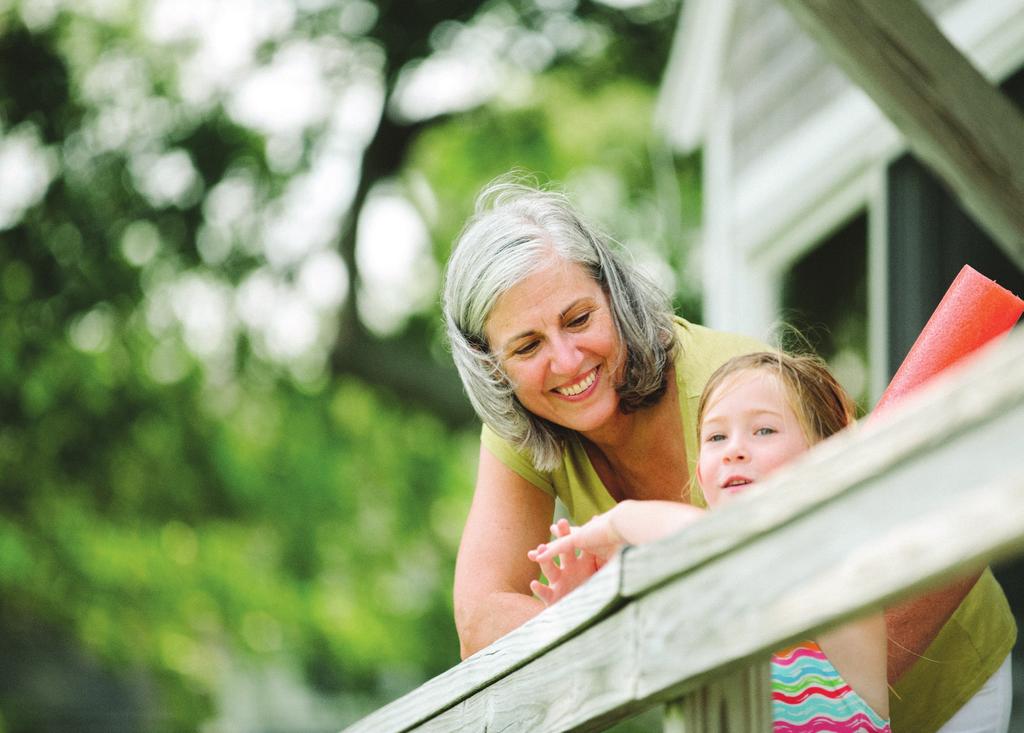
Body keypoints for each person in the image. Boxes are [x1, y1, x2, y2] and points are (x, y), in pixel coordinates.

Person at [441, 177, 1015, 733]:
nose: (566, 361)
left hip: (930, 680)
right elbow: (481, 624)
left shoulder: (737, 401)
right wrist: (598, 630)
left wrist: (832, 703)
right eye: (527, 345)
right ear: (490, 365)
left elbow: (894, 550)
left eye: (579, 319)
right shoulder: (526, 422)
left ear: (613, 296)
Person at [529, 351, 891, 731]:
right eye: (717, 436)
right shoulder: (705, 591)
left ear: (824, 457)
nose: (734, 450)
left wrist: (619, 520)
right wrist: (586, 615)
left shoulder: (835, 560)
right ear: (701, 476)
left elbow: (716, 546)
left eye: (764, 430)